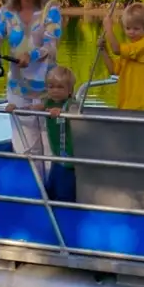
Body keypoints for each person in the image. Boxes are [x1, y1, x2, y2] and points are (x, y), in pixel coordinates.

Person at [0, 0, 62, 157]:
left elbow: (51, 45)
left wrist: (32, 55)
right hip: (18, 88)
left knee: (50, 148)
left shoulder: (51, 9)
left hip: (48, 88)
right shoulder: (5, 12)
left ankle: (51, 186)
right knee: (25, 149)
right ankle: (30, 186)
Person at [101, 2, 144, 111]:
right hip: (128, 105)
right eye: (128, 28)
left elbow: (116, 49)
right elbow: (113, 70)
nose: (131, 32)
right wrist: (103, 50)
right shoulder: (129, 49)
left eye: (136, 29)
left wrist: (108, 29)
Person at [39, 65, 79, 202]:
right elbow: (34, 108)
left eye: (60, 87)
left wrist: (62, 112)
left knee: (65, 193)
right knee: (51, 190)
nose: (55, 90)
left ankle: (66, 218)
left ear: (70, 91)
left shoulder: (70, 104)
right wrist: (15, 107)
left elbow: (75, 111)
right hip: (57, 157)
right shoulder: (48, 102)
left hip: (68, 159)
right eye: (51, 86)